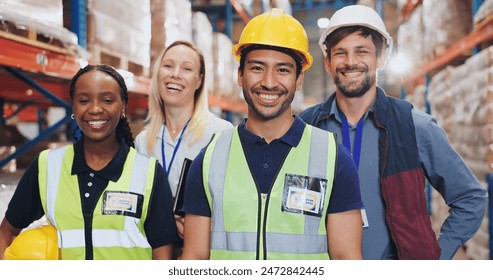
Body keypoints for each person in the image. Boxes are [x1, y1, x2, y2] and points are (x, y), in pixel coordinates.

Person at [300, 5, 488, 260]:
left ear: (381, 57)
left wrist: (435, 256)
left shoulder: (414, 126)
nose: (350, 61)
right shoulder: (307, 127)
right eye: (340, 53)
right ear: (328, 63)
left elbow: (470, 198)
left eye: (361, 51)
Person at [181, 8, 364, 260]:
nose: (269, 82)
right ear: (240, 76)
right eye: (257, 68)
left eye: (283, 70)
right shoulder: (210, 159)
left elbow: (348, 261)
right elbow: (194, 261)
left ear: (299, 80)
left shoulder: (333, 158)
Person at [0, 64, 178, 260]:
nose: (95, 109)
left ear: (122, 108)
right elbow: (6, 232)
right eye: (84, 100)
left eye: (107, 100)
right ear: (74, 108)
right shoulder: (47, 166)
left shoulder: (149, 173)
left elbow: (163, 256)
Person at [135, 41, 233, 243]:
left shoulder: (220, 133)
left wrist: (198, 227)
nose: (175, 74)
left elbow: (232, 203)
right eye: (168, 66)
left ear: (199, 81)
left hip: (203, 250)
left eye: (187, 69)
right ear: (158, 74)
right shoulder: (144, 141)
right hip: (156, 248)